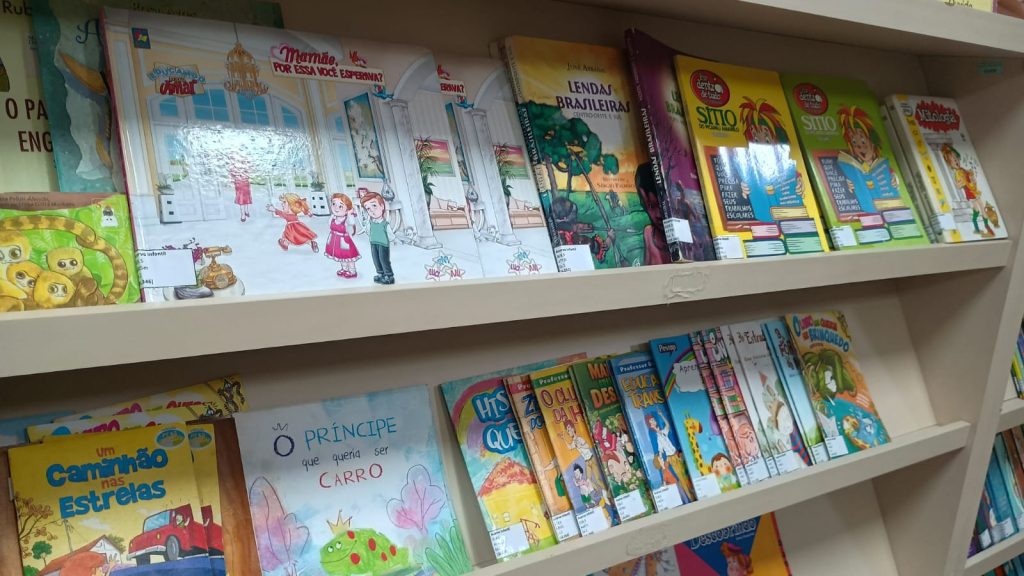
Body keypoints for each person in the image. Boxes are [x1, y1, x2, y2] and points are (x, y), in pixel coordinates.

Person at [635, 162, 672, 265]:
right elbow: (645, 267)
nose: (658, 214)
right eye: (651, 206)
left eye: (661, 205)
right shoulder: (648, 233)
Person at [360, 191, 394, 285]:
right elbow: (368, 231)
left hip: (383, 244)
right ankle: (380, 273)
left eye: (374, 206)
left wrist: (394, 240)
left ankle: (388, 275)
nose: (371, 210)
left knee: (383, 259)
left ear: (382, 206)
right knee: (376, 259)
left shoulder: (384, 224)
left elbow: (390, 235)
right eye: (368, 208)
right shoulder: (370, 223)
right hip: (373, 243)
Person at [326, 193, 360, 278]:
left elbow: (352, 223)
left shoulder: (346, 219)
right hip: (335, 240)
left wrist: (349, 214)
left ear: (347, 209)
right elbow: (329, 224)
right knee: (340, 256)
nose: (336, 208)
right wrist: (333, 217)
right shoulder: (333, 217)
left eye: (340, 206)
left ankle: (352, 271)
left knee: (348, 256)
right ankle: (344, 269)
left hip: (344, 241)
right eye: (334, 204)